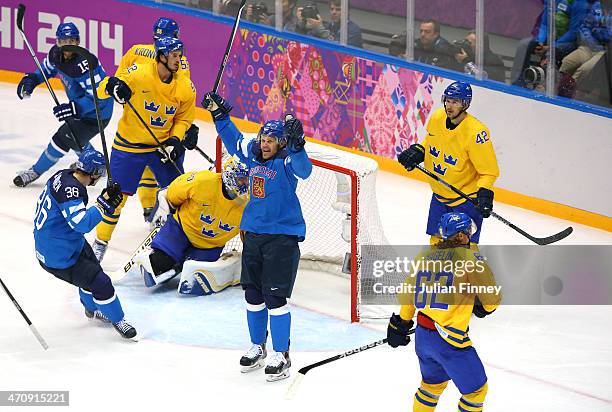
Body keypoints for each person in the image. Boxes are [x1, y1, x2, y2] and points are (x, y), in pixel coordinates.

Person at [203, 92, 312, 382]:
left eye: (271, 140)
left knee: (275, 298)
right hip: (253, 235)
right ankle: (257, 346)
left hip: (282, 239)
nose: (265, 143)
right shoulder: (251, 156)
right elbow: (233, 139)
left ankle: (281, 354)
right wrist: (219, 115)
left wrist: (299, 147)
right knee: (252, 295)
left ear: (281, 144)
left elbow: (306, 170)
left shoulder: (287, 163)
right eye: (263, 137)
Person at [93, 36, 196, 262]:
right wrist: (111, 86)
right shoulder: (138, 73)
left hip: (161, 148)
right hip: (129, 145)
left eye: (180, 55)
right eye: (174, 56)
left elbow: (184, 119)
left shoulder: (185, 86)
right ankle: (100, 242)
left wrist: (175, 141)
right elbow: (101, 88)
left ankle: (181, 244)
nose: (179, 60)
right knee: (115, 197)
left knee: (180, 195)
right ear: (161, 56)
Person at [387, 212, 501, 412]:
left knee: (431, 387)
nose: (470, 236)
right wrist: (481, 306)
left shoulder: (425, 256)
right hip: (450, 341)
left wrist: (401, 323)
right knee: (476, 391)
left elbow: (408, 294)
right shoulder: (471, 258)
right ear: (460, 236)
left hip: (423, 338)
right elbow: (491, 301)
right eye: (467, 232)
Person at [33, 148, 136, 340]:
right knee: (101, 282)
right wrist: (103, 205)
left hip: (64, 243)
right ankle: (118, 320)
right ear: (95, 173)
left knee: (92, 274)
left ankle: (91, 308)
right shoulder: (71, 191)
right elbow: (81, 224)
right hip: (59, 256)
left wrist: (103, 200)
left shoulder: (63, 175)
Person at [113, 17, 199, 224]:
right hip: (164, 126)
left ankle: (150, 209)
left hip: (138, 121)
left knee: (146, 166)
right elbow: (178, 97)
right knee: (164, 173)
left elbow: (117, 84)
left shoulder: (136, 51)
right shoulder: (181, 62)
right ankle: (155, 211)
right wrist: (183, 131)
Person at [397, 81, 499, 245]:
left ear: (464, 104)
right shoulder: (437, 117)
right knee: (436, 243)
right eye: (448, 100)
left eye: (456, 102)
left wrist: (485, 193)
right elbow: (430, 143)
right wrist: (418, 151)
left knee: (464, 248)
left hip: (465, 201)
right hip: (439, 196)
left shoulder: (476, 133)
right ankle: (436, 271)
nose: (450, 106)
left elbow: (489, 171)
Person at [13, 23, 112, 187]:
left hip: (96, 114)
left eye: (71, 41)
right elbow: (46, 70)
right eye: (63, 41)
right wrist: (31, 80)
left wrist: (75, 108)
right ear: (58, 41)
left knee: (62, 139)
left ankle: (35, 171)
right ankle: (96, 164)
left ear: (78, 41)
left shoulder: (86, 64)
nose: (67, 46)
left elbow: (98, 97)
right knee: (75, 138)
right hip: (80, 110)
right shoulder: (55, 54)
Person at [133, 158, 249, 295]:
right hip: (180, 230)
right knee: (158, 265)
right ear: (230, 175)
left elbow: (250, 235)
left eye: (249, 181)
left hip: (210, 246)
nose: (246, 185)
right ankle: (169, 258)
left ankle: (183, 262)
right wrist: (163, 208)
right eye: (243, 180)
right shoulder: (203, 181)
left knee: (195, 274)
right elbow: (171, 194)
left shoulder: (251, 204)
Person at [558, 0, 611, 97]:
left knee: (584, 69)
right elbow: (584, 26)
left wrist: (598, 32)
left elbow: (609, 35)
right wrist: (592, 42)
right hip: (590, 46)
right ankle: (560, 92)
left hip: (606, 51)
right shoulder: (597, 6)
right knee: (567, 62)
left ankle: (571, 95)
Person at [299, 0, 363, 48]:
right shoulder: (329, 25)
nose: (334, 12)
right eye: (332, 9)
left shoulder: (354, 30)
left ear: (347, 11)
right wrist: (302, 23)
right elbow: (308, 41)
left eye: (338, 9)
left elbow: (341, 50)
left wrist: (320, 29)